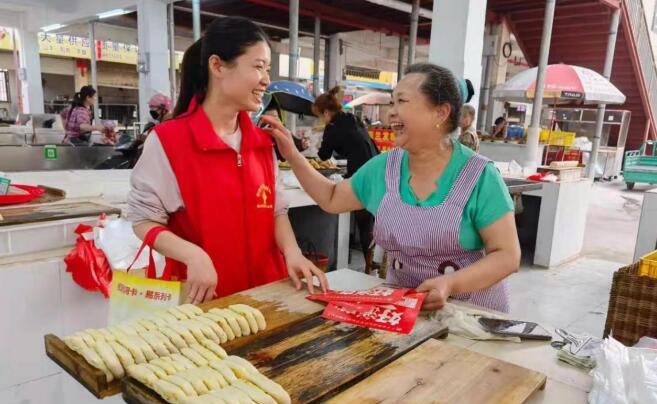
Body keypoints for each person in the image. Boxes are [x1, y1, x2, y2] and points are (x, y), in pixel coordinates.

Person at [262, 63, 520, 313]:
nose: (391, 112)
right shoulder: (386, 167)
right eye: (392, 102)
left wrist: (450, 283)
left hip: (470, 315)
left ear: (440, 113)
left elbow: (507, 255)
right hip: (403, 309)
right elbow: (331, 198)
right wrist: (292, 154)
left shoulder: (478, 176)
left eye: (402, 102)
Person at [127, 17, 328, 304]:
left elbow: (275, 210)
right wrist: (192, 255)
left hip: (266, 296)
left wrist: (293, 253)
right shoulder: (170, 141)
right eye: (258, 66)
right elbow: (144, 220)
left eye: (267, 69)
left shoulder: (260, 141)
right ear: (218, 66)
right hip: (205, 302)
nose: (266, 80)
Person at [313, 86, 379, 263]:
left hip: (361, 175)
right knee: (372, 218)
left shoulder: (333, 127)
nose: (321, 120)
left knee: (364, 220)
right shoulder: (352, 118)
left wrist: (319, 142)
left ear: (326, 112)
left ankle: (369, 261)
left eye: (320, 116)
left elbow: (323, 156)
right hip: (376, 167)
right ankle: (373, 260)